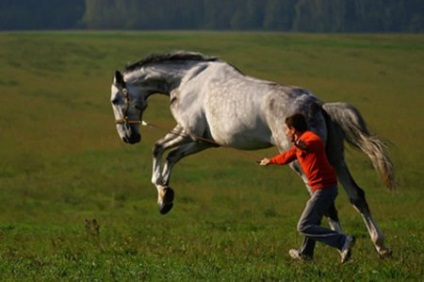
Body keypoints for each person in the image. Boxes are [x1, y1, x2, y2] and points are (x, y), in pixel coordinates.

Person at [259, 113, 355, 263]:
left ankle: (342, 241)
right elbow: (286, 157)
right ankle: (305, 253)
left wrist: (302, 145)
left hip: (324, 189)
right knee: (313, 222)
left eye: (286, 130)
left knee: (303, 226)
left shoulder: (310, 138)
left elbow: (314, 144)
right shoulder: (298, 144)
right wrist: (269, 161)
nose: (285, 133)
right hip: (323, 188)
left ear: (293, 129)